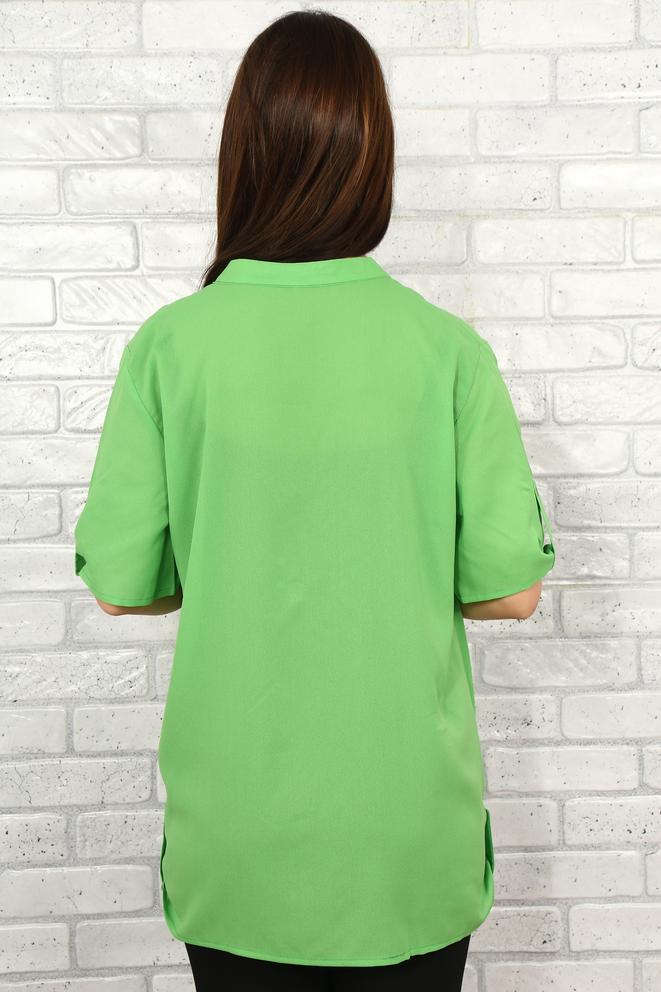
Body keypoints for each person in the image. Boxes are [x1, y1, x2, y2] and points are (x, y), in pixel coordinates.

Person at [73, 9, 556, 991]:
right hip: (404, 835)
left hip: (238, 837)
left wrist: (234, 550)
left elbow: (122, 586)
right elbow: (509, 592)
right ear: (371, 156)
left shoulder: (170, 347)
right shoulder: (445, 350)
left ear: (243, 156)